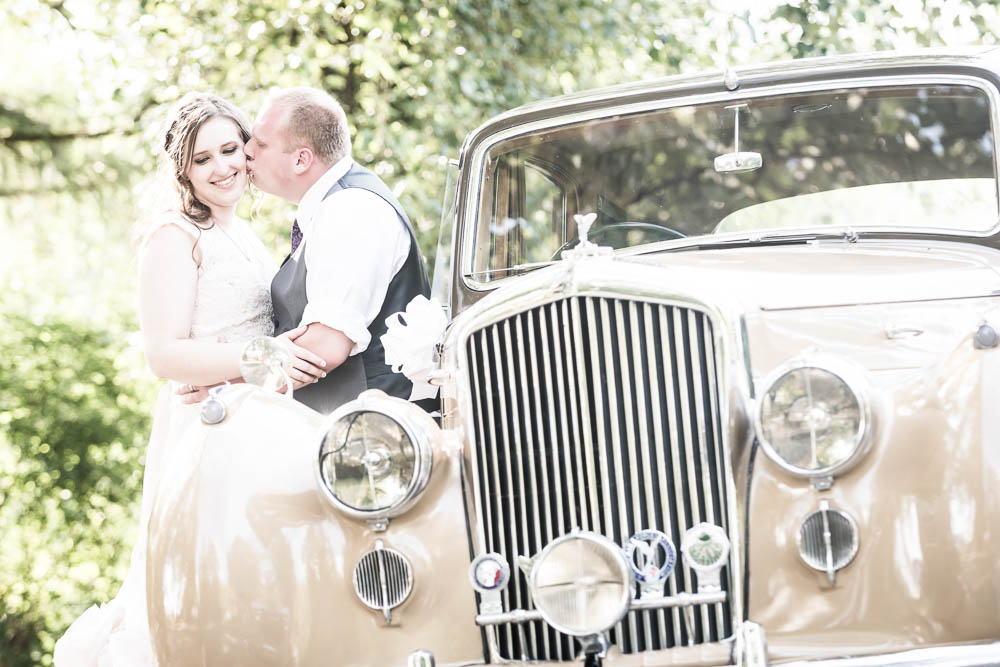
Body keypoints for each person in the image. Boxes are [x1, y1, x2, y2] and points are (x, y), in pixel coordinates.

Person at [53, 92, 326, 666]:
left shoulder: (247, 235)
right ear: (184, 169)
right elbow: (165, 355)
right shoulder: (174, 236)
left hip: (262, 425)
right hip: (209, 433)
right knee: (210, 598)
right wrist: (259, 356)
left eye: (230, 149)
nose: (222, 166)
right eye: (203, 159)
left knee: (273, 589)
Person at [244, 87, 438, 415]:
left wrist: (226, 383)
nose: (246, 150)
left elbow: (324, 346)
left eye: (261, 144)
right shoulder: (333, 205)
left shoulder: (350, 210)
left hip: (372, 435)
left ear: (301, 159)